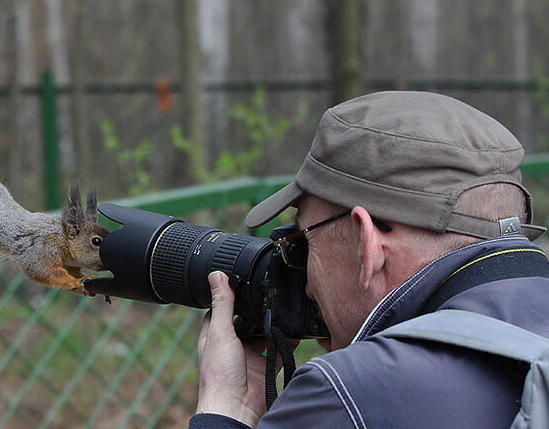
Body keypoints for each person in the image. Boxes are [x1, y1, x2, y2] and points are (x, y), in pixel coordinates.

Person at [190, 91, 549, 428]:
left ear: (367, 243)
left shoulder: (348, 394)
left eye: (301, 246)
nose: (307, 285)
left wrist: (224, 409)